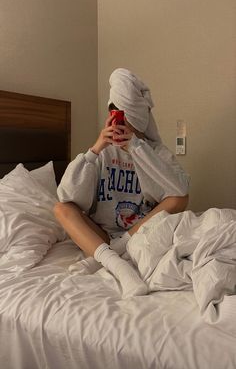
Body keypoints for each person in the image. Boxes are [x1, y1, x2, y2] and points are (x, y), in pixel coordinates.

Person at [54, 68, 190, 298]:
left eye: (127, 120)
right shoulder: (102, 152)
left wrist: (137, 148)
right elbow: (66, 194)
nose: (121, 126)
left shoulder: (154, 151)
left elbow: (180, 191)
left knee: (180, 197)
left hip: (141, 234)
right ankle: (118, 265)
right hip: (103, 236)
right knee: (61, 208)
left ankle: (110, 255)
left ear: (140, 120)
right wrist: (95, 150)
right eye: (116, 117)